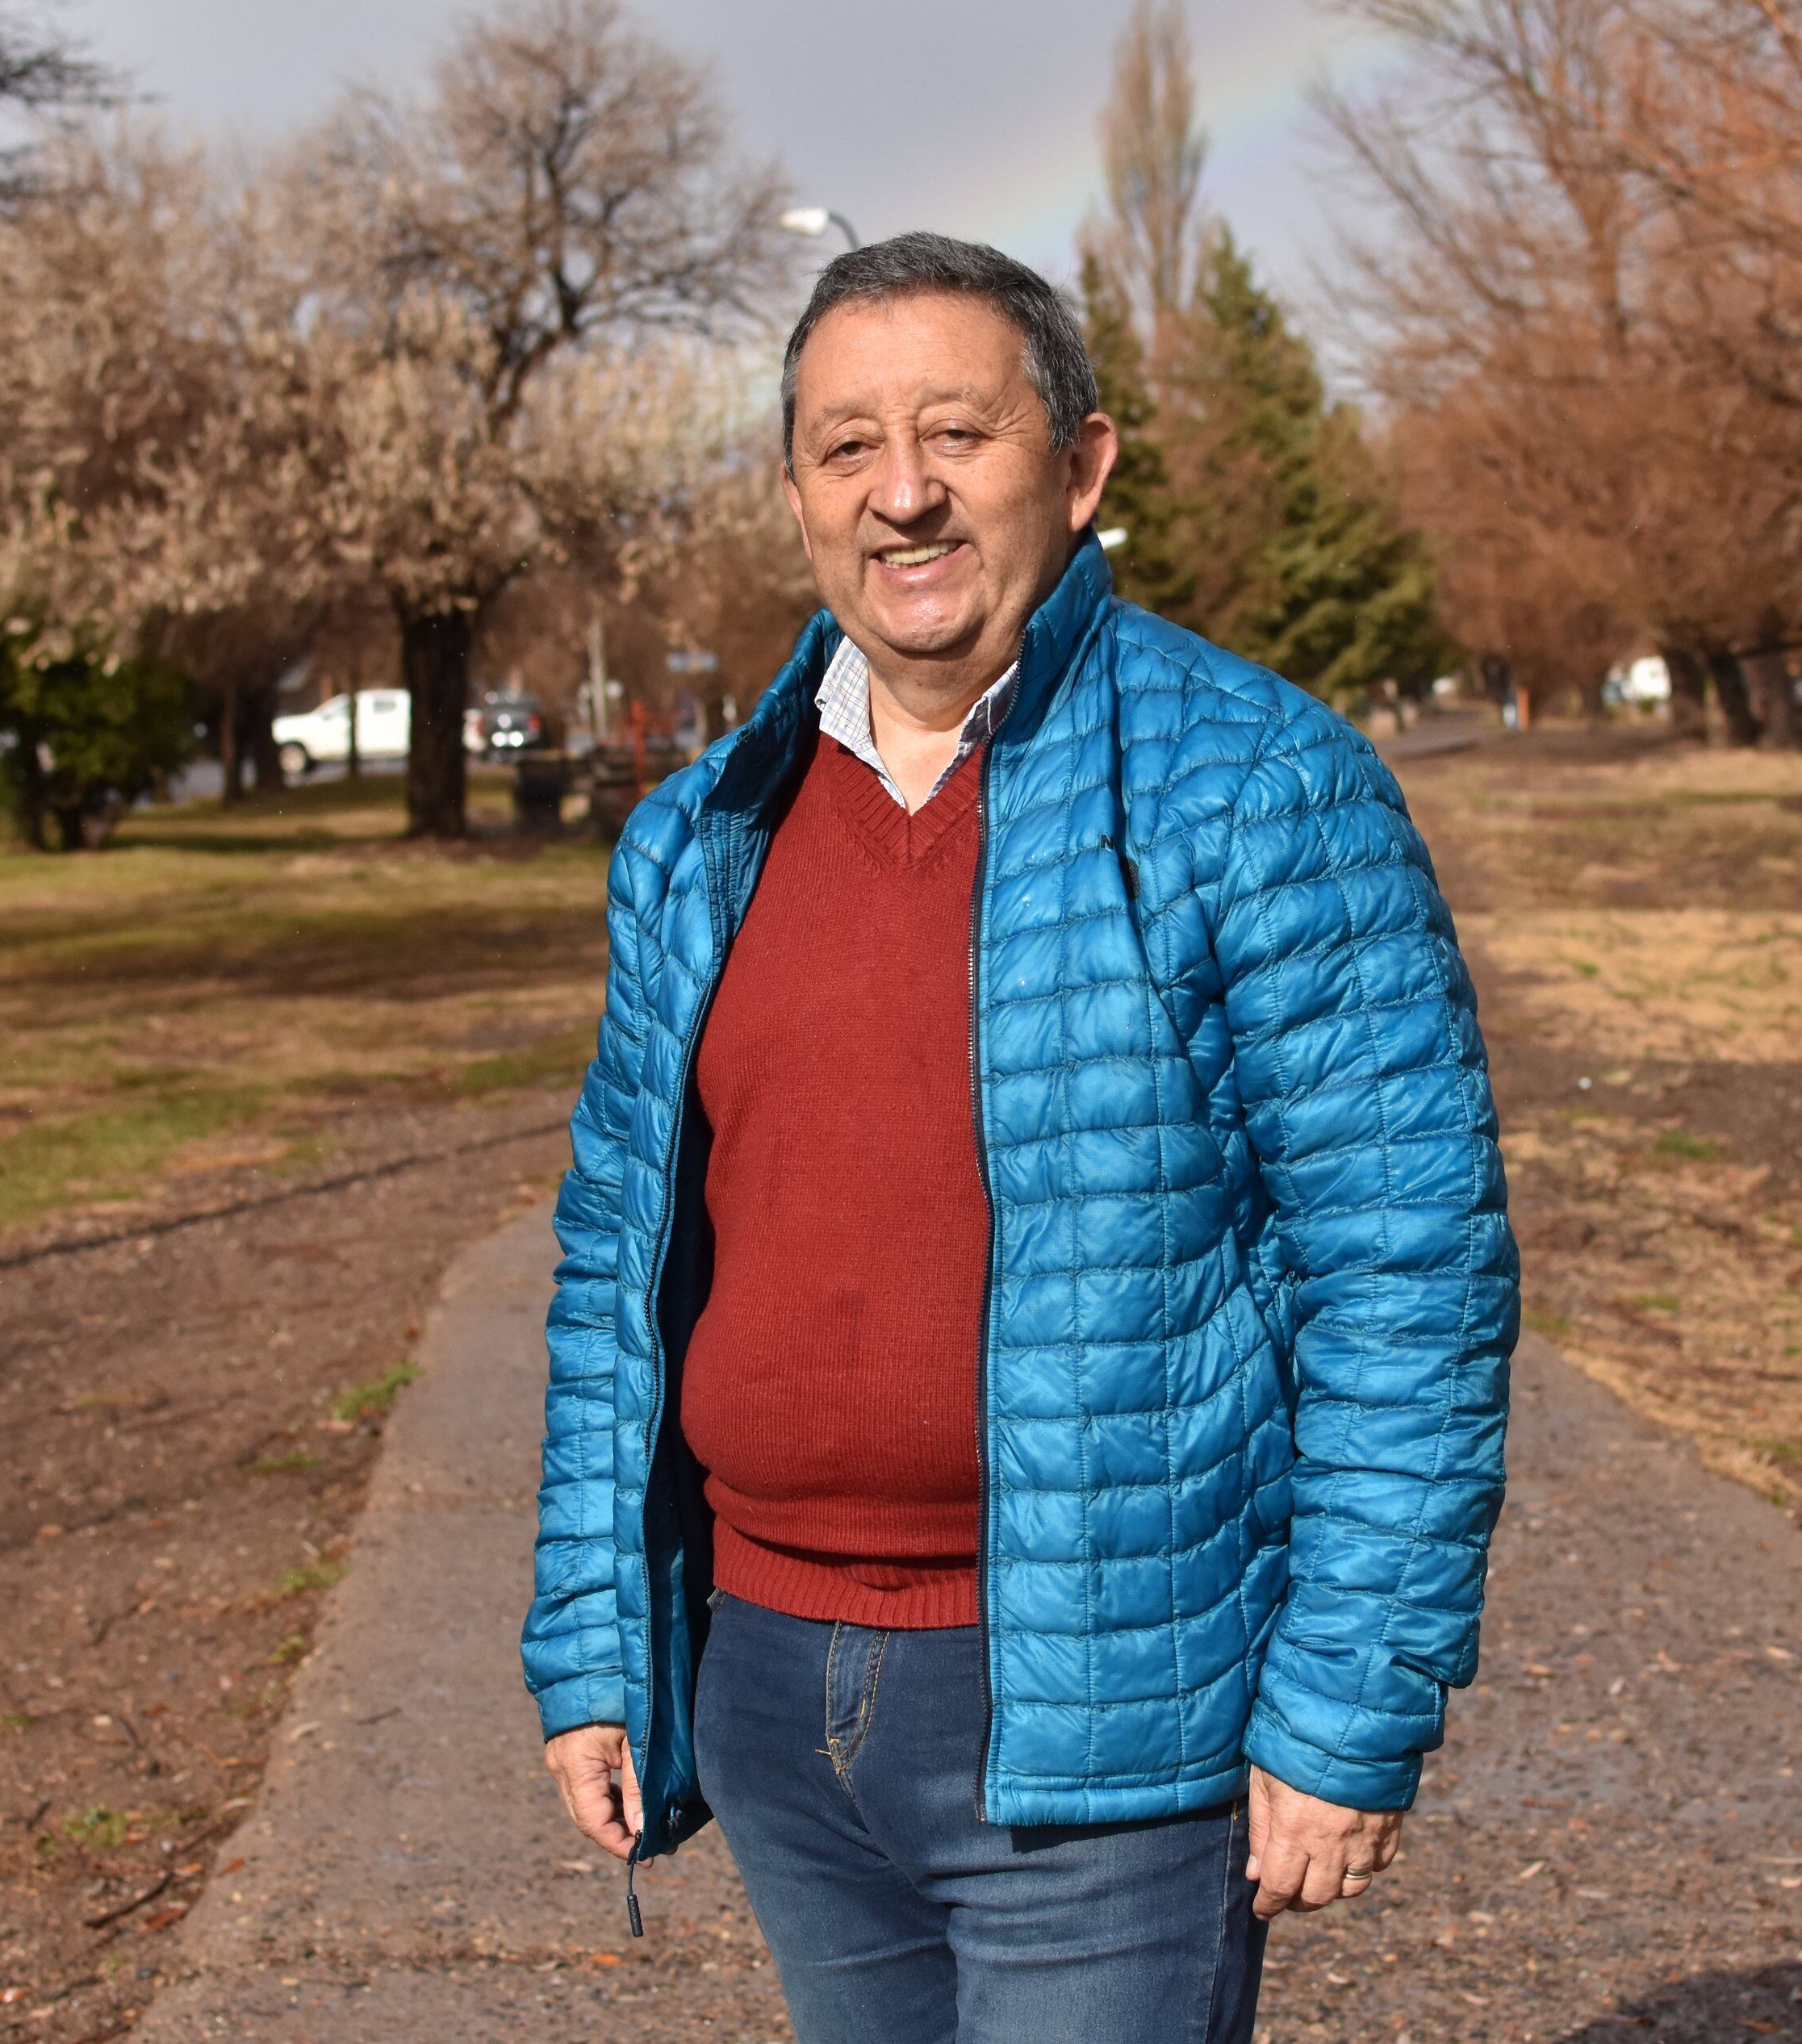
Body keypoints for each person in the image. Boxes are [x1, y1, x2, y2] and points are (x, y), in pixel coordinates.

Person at [523, 232, 1516, 2044]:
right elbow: (614, 1270)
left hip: (1099, 1709)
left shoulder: (1257, 787)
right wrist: (601, 1642)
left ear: (1078, 464)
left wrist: (1343, 1704)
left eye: (955, 433)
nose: (900, 491)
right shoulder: (697, 834)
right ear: (797, 491)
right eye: (845, 445)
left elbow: (1407, 1281)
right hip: (764, 1683)